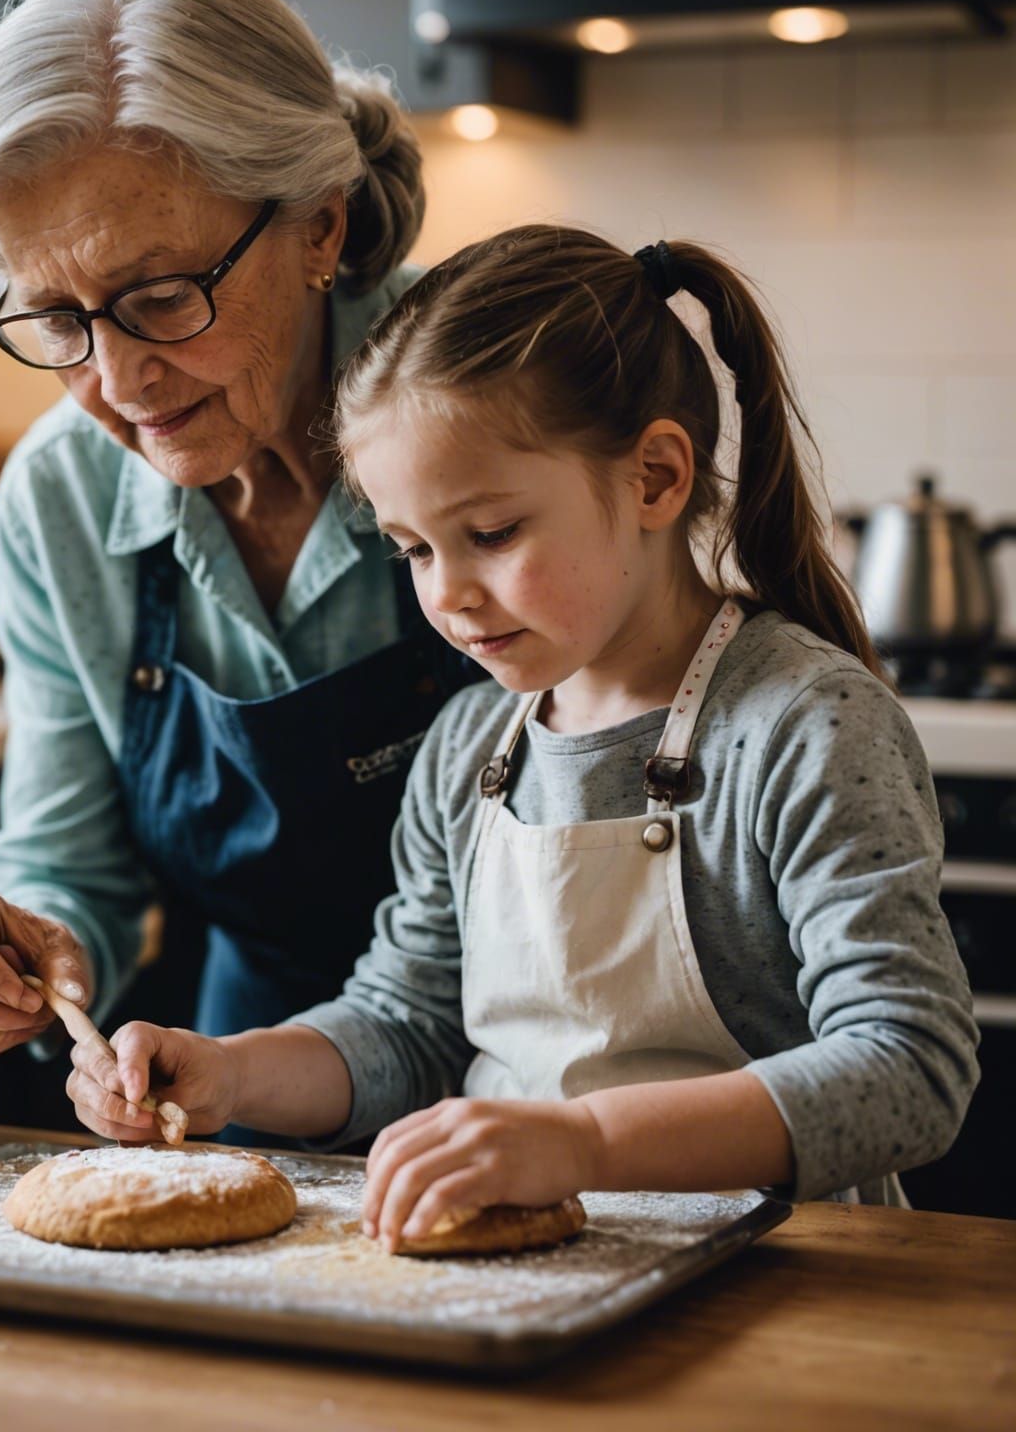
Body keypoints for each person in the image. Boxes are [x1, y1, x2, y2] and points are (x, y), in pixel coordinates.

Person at [63, 224, 981, 1239]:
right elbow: (404, 1028)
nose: (448, 595)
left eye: (492, 534)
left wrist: (583, 1144)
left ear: (656, 479)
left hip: (787, 1292)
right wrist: (233, 1071)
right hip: (533, 1289)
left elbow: (910, 1065)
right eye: (411, 548)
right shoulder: (467, 750)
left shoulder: (802, 727)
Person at [0, 0, 473, 1120]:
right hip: (243, 1093)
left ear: (320, 228)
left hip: (561, 1093)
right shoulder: (60, 498)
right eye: (58, 318)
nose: (118, 380)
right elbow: (70, 863)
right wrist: (19, 945)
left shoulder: (494, 395)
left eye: (163, 296)